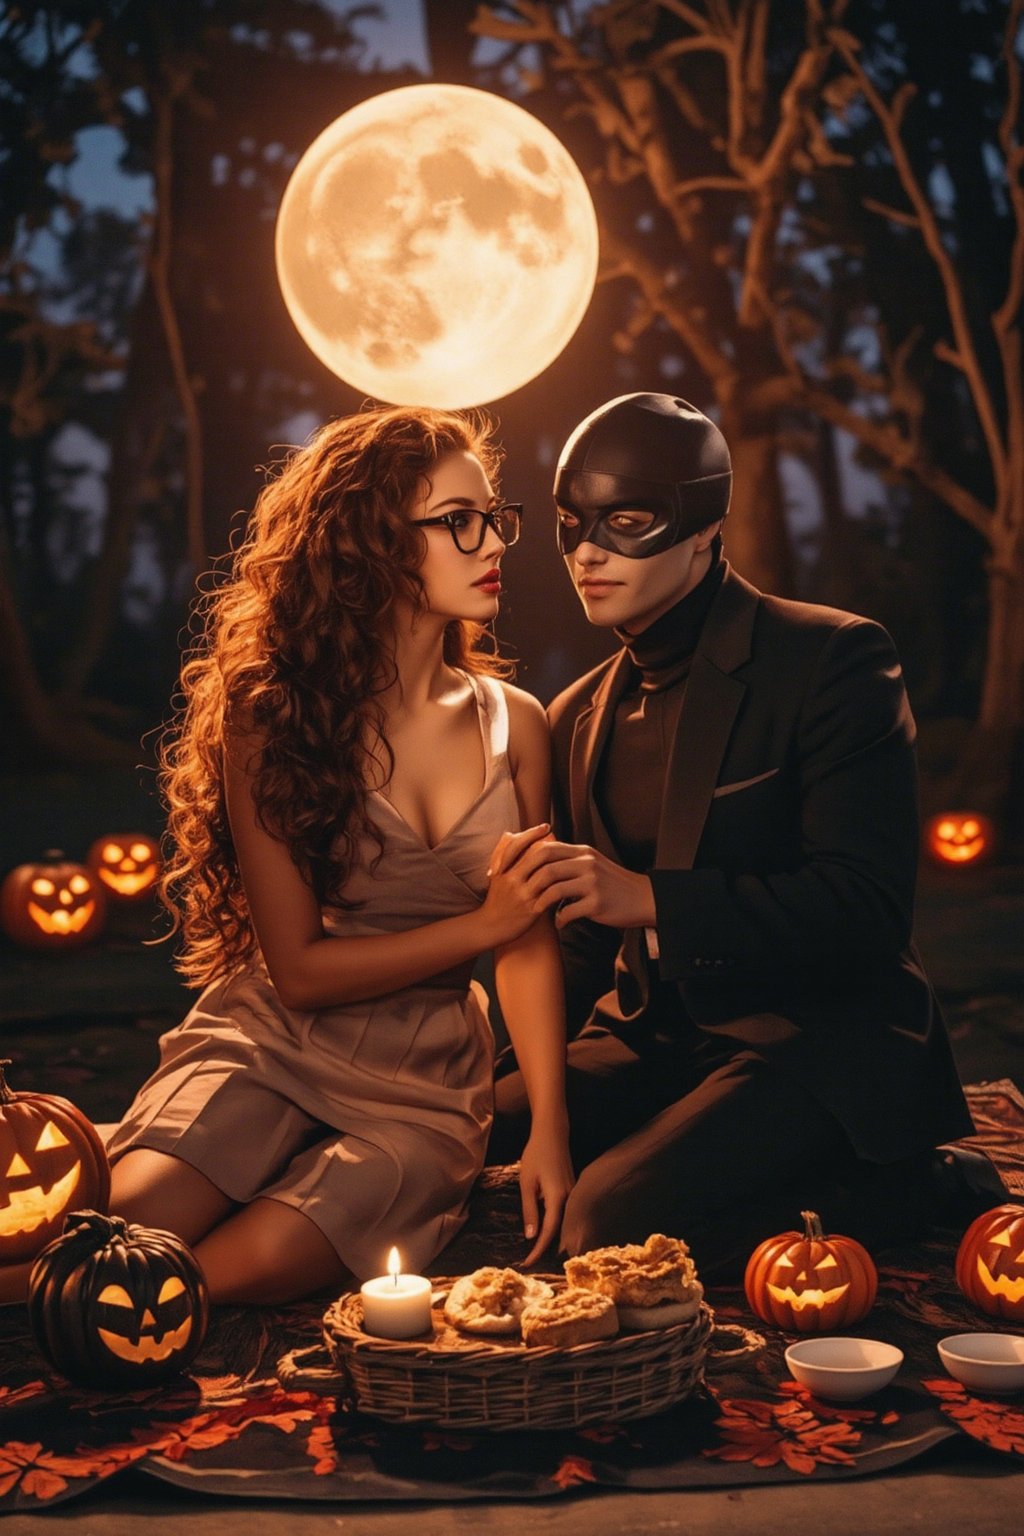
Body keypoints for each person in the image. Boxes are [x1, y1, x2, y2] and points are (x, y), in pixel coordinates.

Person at [0, 407, 573, 1309]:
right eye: (457, 520)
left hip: (423, 1085)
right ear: (372, 542)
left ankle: (63, 1304)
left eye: (493, 515)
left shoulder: (519, 725)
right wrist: (482, 922)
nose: (490, 541)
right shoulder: (271, 716)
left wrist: (548, 1130)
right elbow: (299, 972)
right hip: (274, 1040)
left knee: (186, 1282)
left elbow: (527, 946)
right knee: (119, 1223)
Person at [488, 391, 1005, 1277]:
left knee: (606, 1220)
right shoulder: (574, 717)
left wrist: (650, 898)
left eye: (627, 520)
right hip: (653, 1039)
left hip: (816, 1039)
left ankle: (921, 1186)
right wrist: (529, 1098)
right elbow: (577, 949)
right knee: (458, 1140)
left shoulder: (835, 660)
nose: (587, 552)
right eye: (573, 525)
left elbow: (868, 910)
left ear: (703, 524)